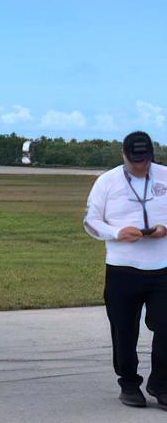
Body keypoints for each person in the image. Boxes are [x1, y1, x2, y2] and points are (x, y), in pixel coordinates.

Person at [84, 131, 167, 408]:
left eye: (144, 161)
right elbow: (91, 222)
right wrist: (117, 232)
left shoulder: (165, 176)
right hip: (122, 269)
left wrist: (164, 229)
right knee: (123, 330)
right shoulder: (106, 182)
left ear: (151, 156)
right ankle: (129, 383)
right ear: (123, 154)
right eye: (134, 161)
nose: (140, 166)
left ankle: (161, 383)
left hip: (162, 268)